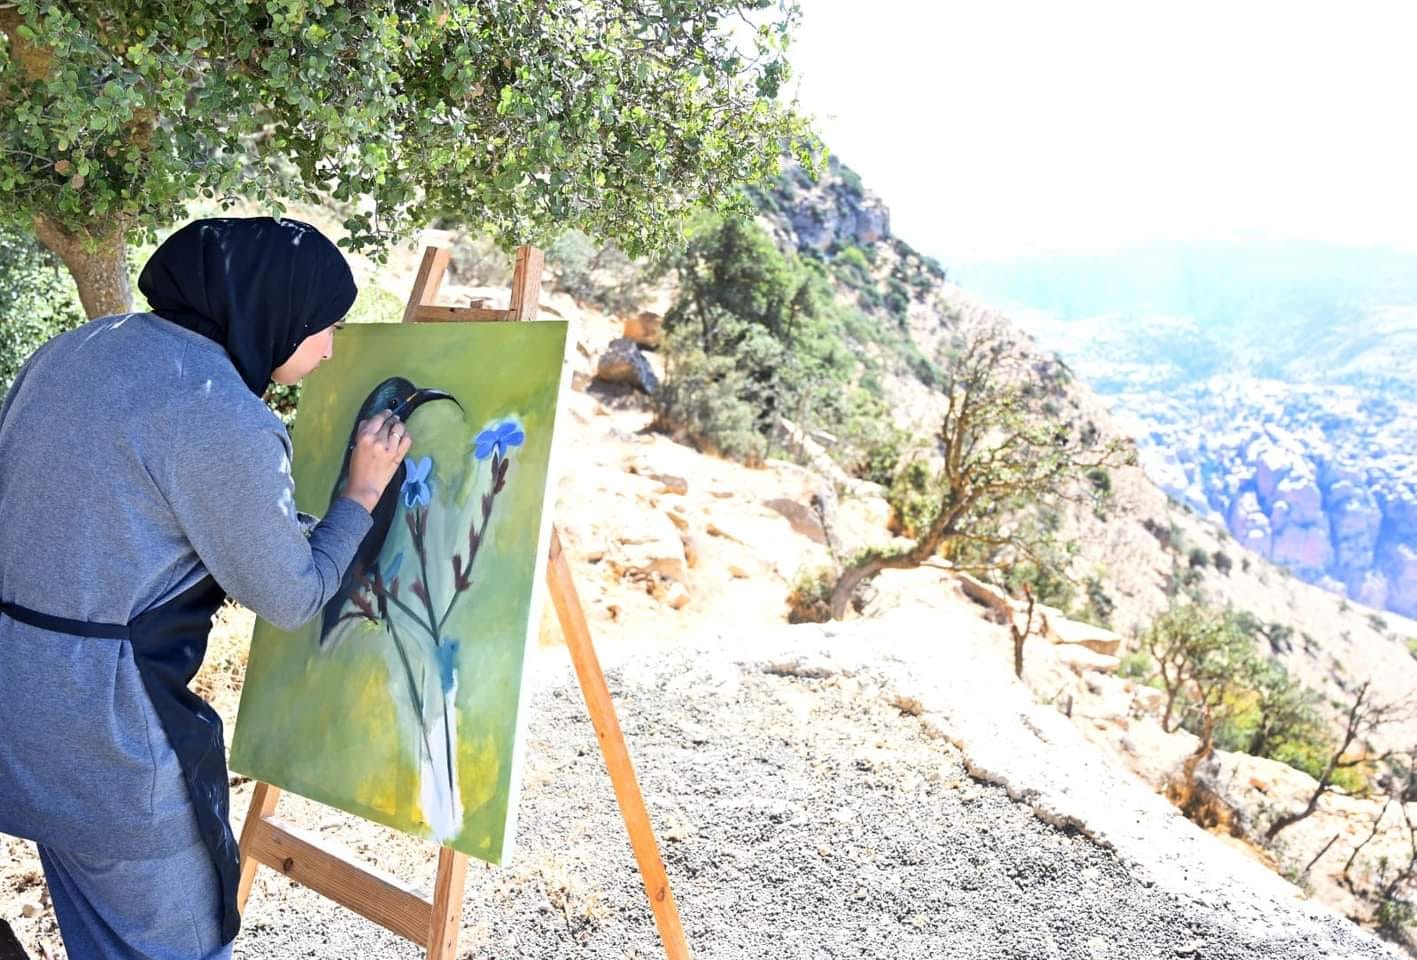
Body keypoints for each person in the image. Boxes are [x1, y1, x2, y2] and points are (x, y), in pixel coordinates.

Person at [0, 217, 412, 959]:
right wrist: (360, 494)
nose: (331, 348)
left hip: (19, 716)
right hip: (109, 746)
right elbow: (291, 597)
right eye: (326, 325)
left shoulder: (76, 349)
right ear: (274, 309)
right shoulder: (218, 413)